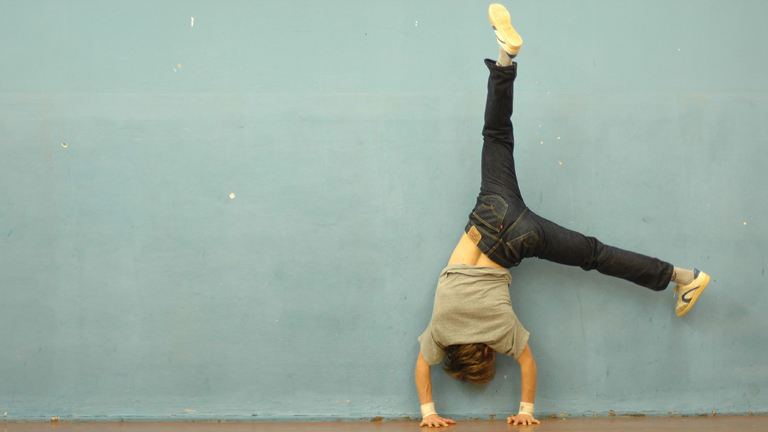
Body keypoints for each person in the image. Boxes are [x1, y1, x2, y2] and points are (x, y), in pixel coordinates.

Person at [414, 4, 711, 427]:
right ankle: (504, 59)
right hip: (490, 212)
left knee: (595, 254)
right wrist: (428, 411)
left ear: (485, 351)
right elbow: (422, 368)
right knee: (497, 133)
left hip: (523, 236)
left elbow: (528, 365)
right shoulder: (439, 333)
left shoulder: (502, 334)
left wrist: (525, 412)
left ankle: (684, 277)